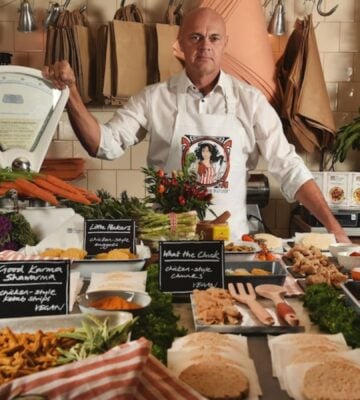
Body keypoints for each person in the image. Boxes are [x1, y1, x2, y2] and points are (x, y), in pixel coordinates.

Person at [43, 7, 350, 243]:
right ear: (180, 43)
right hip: (169, 244)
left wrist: (335, 230)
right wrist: (70, 94)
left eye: (214, 38)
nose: (205, 45)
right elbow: (103, 144)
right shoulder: (154, 98)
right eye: (196, 37)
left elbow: (290, 168)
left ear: (225, 44)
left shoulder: (250, 101)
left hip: (231, 246)